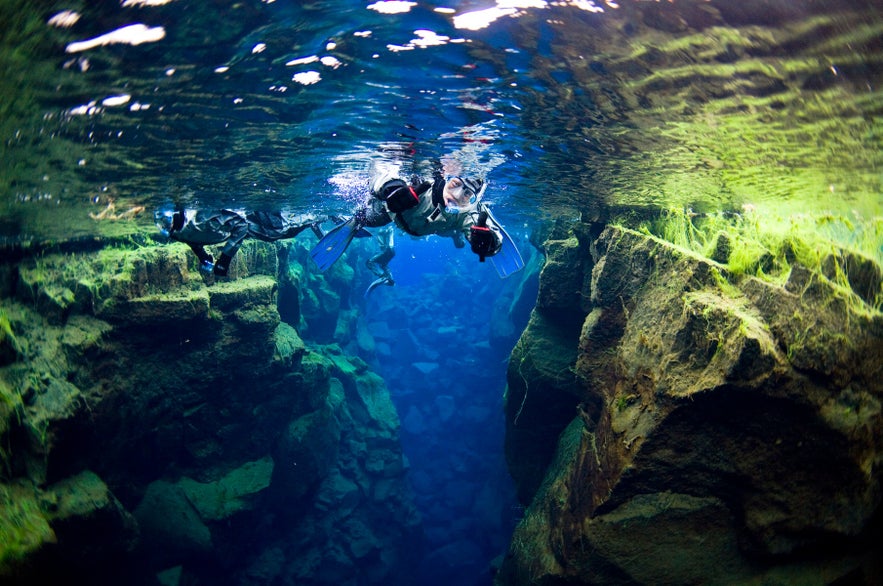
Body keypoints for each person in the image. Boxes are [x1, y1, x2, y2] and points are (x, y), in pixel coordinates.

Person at [311, 172, 524, 278]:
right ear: (446, 177)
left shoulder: (470, 210)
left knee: (459, 229)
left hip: (438, 226)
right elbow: (385, 172)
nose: (456, 197)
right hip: (395, 214)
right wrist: (391, 188)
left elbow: (490, 234)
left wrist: (489, 243)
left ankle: (458, 235)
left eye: (467, 194)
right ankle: (345, 220)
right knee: (369, 217)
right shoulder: (422, 182)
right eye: (455, 185)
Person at [155, 208, 322, 276]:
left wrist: (224, 260)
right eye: (163, 226)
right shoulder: (175, 232)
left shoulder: (200, 217)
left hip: (251, 218)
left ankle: (317, 216)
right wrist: (202, 256)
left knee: (277, 232)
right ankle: (312, 219)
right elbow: (192, 241)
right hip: (240, 227)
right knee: (278, 234)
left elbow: (241, 224)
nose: (167, 227)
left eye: (167, 222)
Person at [365, 225, 396, 297]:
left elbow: (388, 239)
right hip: (389, 253)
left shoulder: (382, 232)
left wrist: (390, 233)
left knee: (369, 262)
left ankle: (383, 276)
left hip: (387, 252)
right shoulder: (384, 236)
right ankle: (390, 280)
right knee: (383, 264)